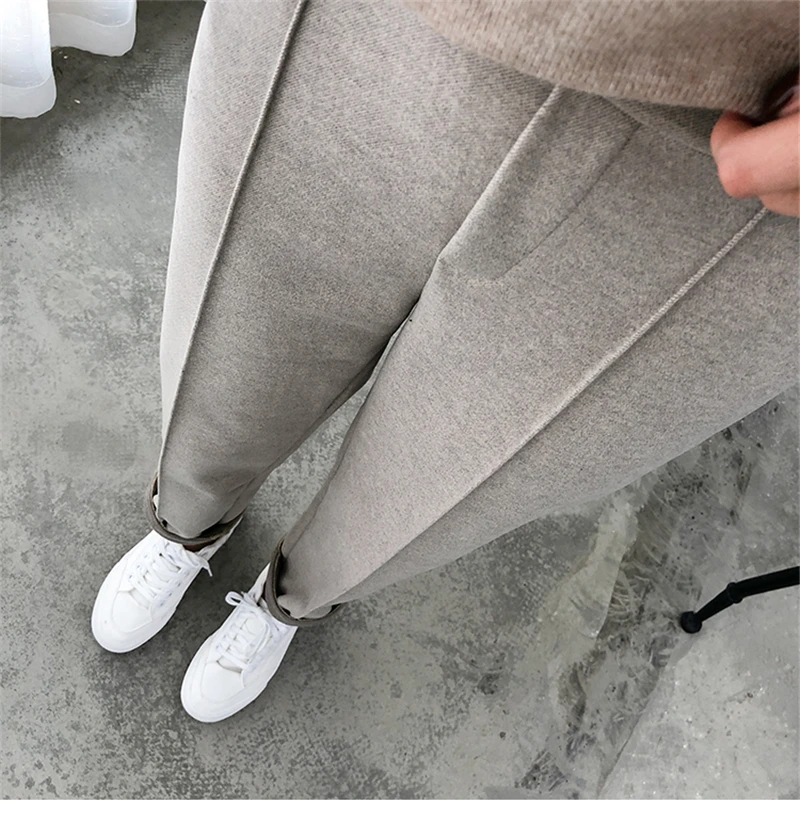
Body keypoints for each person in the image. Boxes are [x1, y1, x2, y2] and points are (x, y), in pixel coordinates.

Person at [91, 0, 799, 723]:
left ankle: (290, 599)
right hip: (403, 21)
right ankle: (188, 524)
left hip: (749, 149)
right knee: (237, 338)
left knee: (446, 480)